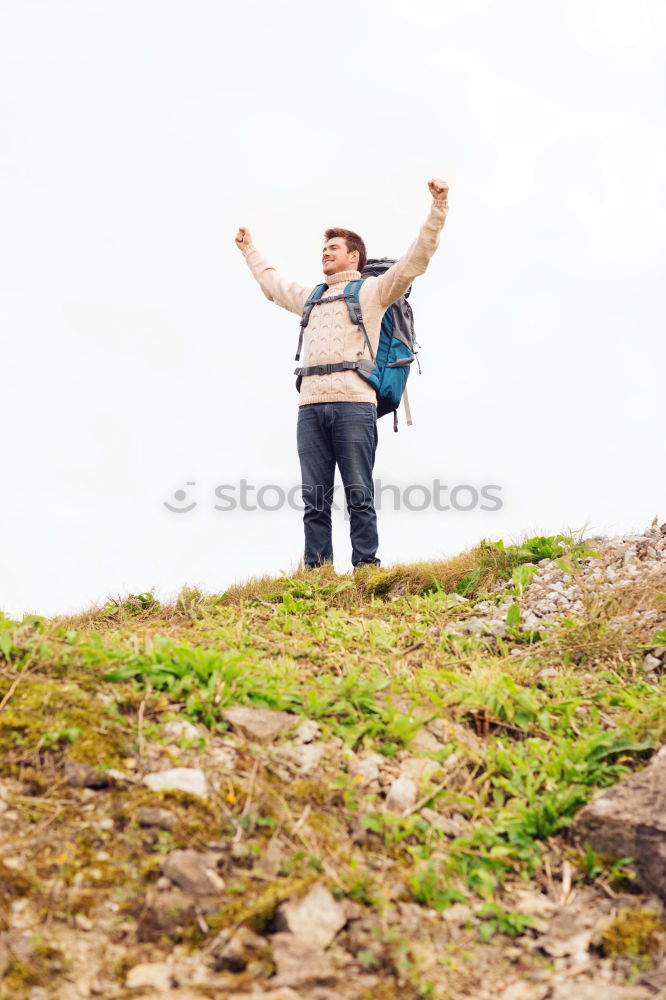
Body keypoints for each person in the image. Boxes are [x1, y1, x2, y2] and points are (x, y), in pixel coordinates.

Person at [235, 178, 449, 571]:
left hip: (355, 404)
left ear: (355, 257)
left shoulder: (374, 292)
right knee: (313, 497)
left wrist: (438, 208)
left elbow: (416, 259)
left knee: (358, 492)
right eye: (323, 249)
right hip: (310, 407)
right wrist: (249, 249)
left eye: (333, 248)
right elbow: (271, 284)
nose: (325, 254)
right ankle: (317, 571)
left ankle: (367, 567)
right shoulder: (310, 298)